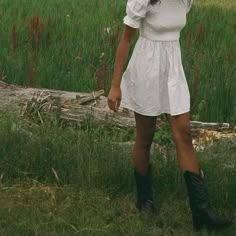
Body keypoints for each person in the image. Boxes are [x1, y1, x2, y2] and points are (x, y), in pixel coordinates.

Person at [107, 0, 232, 231]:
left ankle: (201, 213)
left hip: (173, 67)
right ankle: (144, 202)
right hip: (147, 66)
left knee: (183, 134)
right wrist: (115, 84)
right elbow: (125, 39)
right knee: (146, 136)